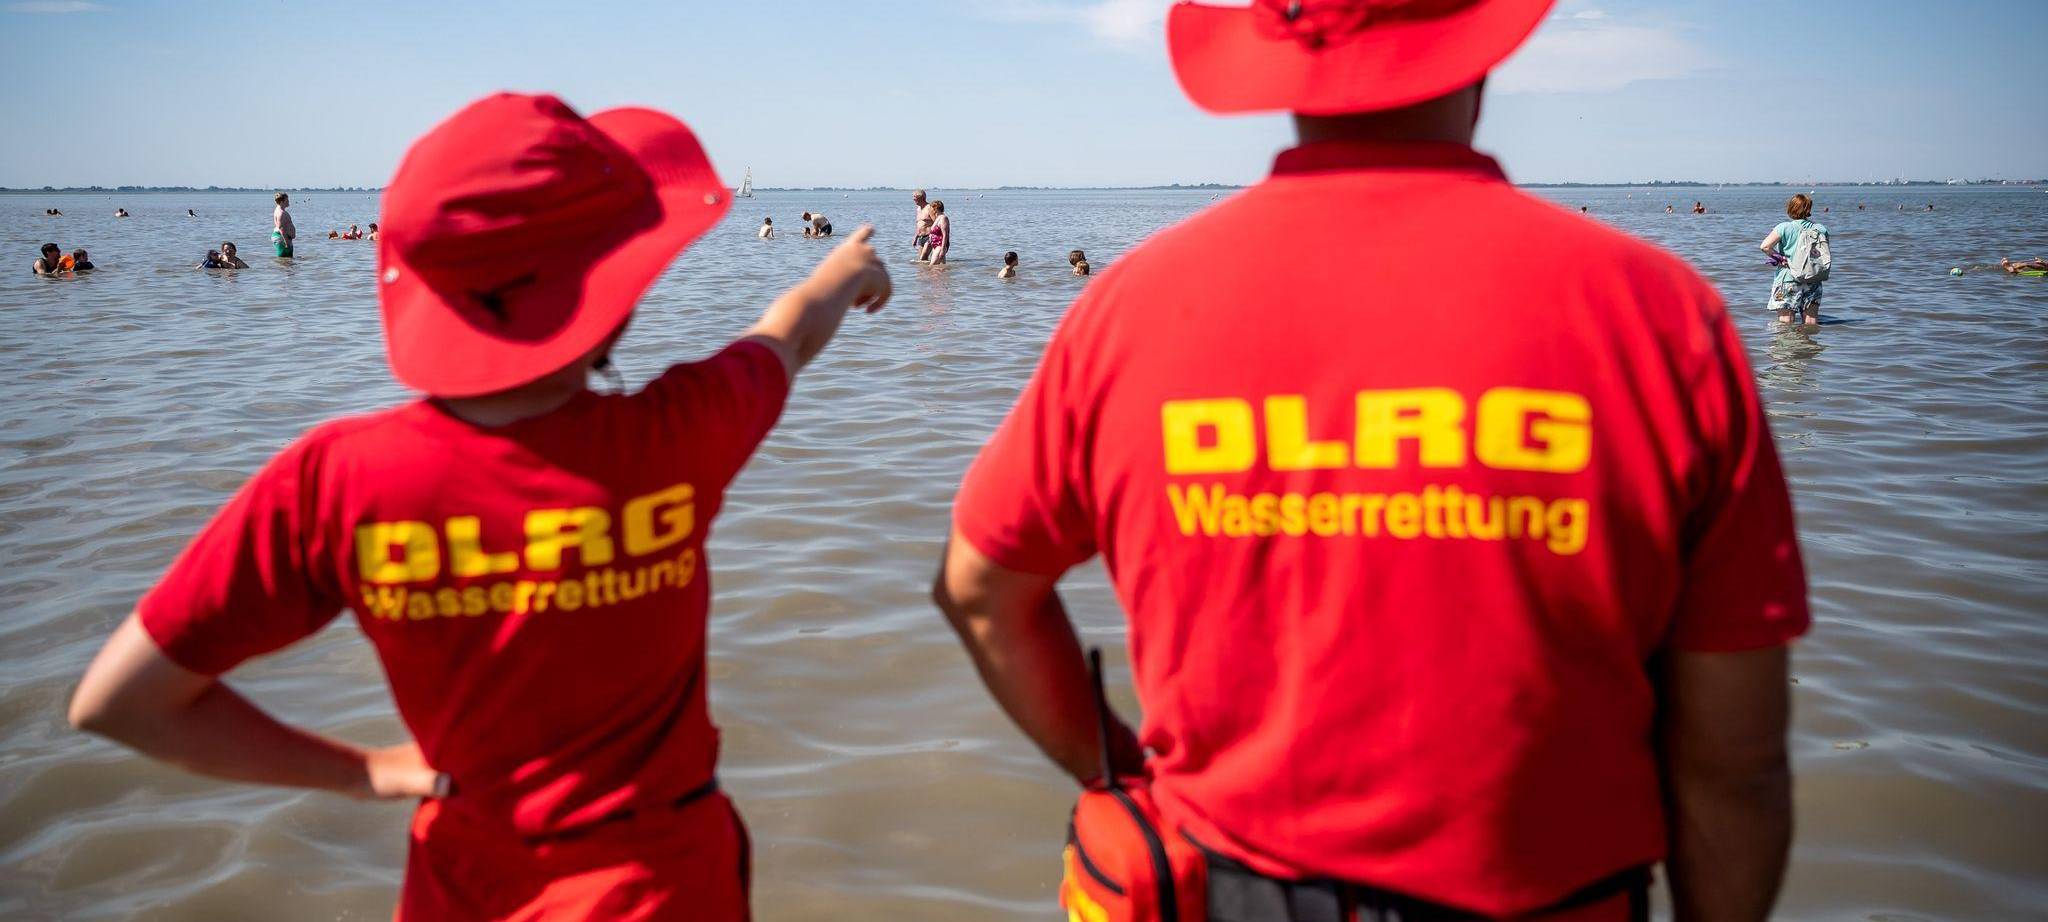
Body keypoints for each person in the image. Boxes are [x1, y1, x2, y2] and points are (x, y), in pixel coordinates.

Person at [932, 2, 1807, 921]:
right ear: (1480, 53)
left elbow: (980, 591)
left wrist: (1117, 768)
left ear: (1281, 62)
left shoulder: (1126, 312)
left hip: (1231, 889)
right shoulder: (1660, 317)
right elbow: (1734, 768)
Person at [67, 92, 892, 922]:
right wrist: (845, 269)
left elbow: (120, 702)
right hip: (663, 881)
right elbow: (787, 332)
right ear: (614, 290)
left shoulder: (333, 481)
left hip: (459, 884)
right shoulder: (677, 436)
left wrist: (368, 772)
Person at [1761, 193, 1827, 327]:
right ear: (1809, 209)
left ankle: (1788, 348)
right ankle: (1808, 347)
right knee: (1811, 323)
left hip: (1788, 279)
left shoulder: (1784, 227)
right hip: (1813, 279)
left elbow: (1765, 246)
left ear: (1790, 208)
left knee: (1785, 323)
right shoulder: (1820, 229)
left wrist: (1781, 258)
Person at [273, 192, 296, 258]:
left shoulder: (278, 210)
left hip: (282, 237)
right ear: (281, 202)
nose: (288, 201)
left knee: (286, 261)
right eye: (287, 200)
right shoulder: (281, 213)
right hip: (282, 238)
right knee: (284, 260)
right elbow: (281, 228)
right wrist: (286, 242)